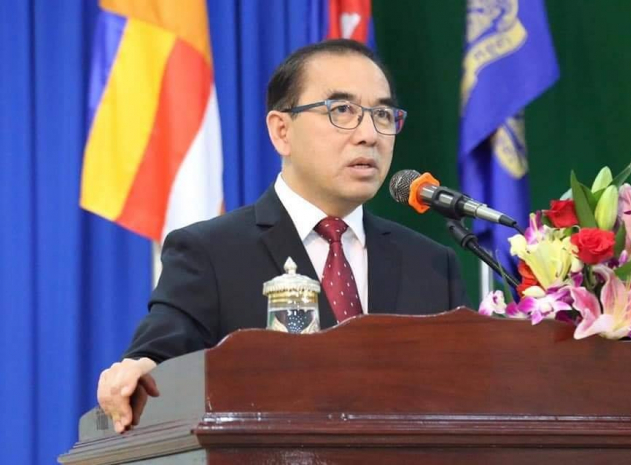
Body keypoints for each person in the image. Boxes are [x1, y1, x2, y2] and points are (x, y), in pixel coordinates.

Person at [97, 39, 467, 433]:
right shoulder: (210, 253)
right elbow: (161, 357)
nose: (369, 135)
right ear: (281, 131)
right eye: (342, 110)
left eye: (383, 114)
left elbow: (465, 397)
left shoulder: (431, 264)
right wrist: (139, 368)